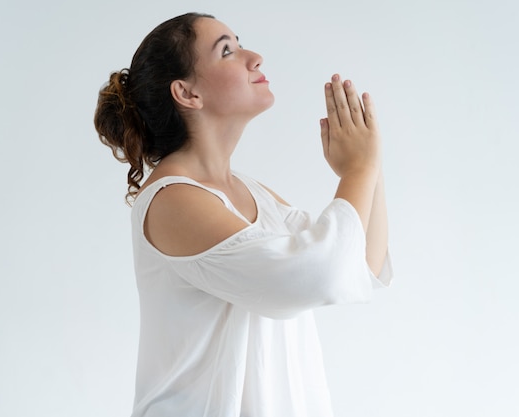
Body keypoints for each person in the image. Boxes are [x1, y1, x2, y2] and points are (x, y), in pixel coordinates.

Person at [94, 12, 392, 417]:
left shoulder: (249, 192)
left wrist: (370, 163)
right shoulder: (172, 200)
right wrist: (358, 170)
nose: (254, 57)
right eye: (227, 51)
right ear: (187, 93)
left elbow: (360, 264)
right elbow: (319, 274)